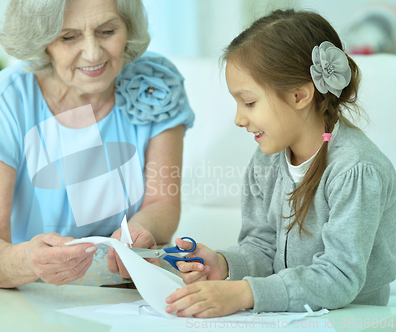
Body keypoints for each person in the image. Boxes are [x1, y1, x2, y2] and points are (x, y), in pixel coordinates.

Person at [165, 9, 396, 318]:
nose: (239, 119)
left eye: (249, 103)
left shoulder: (356, 169)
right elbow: (262, 247)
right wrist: (223, 264)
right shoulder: (266, 161)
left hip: (353, 318)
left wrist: (245, 293)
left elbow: (339, 277)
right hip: (287, 316)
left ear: (300, 95)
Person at [0, 0, 194, 288]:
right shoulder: (5, 100)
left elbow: (162, 203)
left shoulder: (155, 82)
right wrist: (30, 260)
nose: (92, 53)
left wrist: (139, 231)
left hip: (119, 267)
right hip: (17, 272)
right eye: (68, 36)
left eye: (107, 31)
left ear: (128, 28)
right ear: (42, 41)